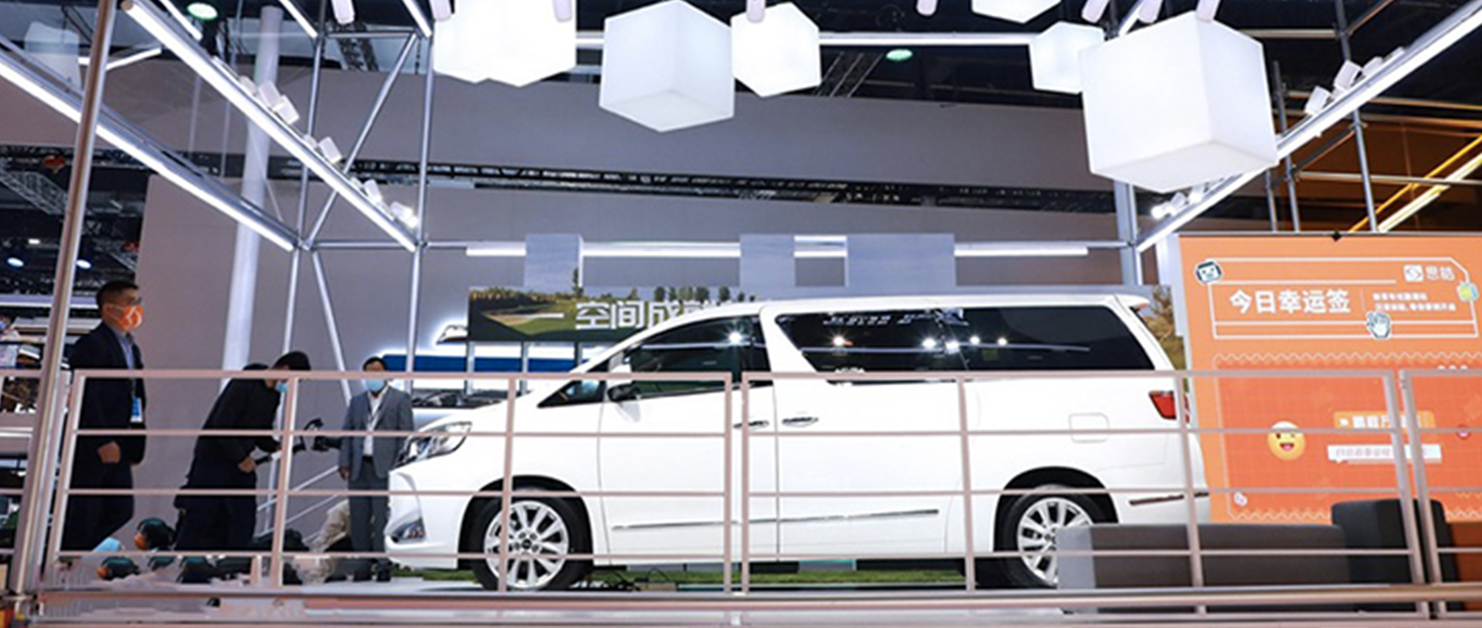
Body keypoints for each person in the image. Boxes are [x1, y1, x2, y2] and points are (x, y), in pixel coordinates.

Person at [174, 351, 311, 553]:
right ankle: (185, 558)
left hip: (240, 463)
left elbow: (261, 430)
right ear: (285, 369)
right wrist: (240, 457)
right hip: (213, 458)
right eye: (295, 379)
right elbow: (222, 423)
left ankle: (234, 561)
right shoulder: (245, 383)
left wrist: (275, 446)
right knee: (201, 513)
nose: (292, 386)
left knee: (243, 516)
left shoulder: (273, 396)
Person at [61, 281, 147, 552]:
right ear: (109, 309)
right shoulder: (92, 345)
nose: (138, 307)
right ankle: (63, 555)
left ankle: (70, 553)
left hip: (121, 440)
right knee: (85, 509)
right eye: (131, 302)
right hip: (95, 442)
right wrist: (101, 439)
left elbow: (135, 396)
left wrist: (135, 441)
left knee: (120, 509)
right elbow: (88, 395)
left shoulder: (131, 347)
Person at [328, 357, 414, 581]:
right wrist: (343, 462)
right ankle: (363, 564)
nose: (373, 376)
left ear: (386, 374)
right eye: (368, 372)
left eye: (377, 371)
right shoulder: (357, 402)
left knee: (383, 517)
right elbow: (347, 433)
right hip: (359, 467)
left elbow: (405, 435)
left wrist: (400, 466)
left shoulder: (400, 399)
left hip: (385, 468)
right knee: (359, 519)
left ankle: (383, 563)